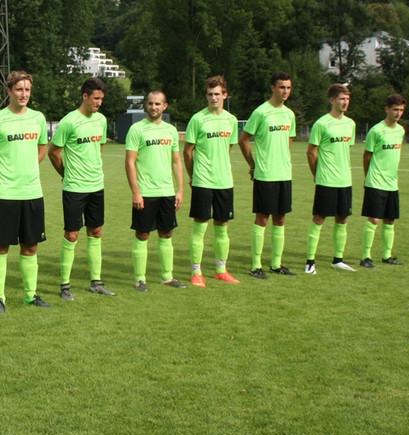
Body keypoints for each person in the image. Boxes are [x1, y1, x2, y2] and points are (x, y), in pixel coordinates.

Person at [0, 70, 50, 312]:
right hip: (5, 195)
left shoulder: (38, 118)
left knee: (31, 247)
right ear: (9, 91)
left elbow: (43, 146)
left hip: (32, 193)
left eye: (27, 90)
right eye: (19, 89)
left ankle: (30, 295)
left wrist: (30, 166)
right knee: (1, 246)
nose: (24, 94)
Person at [48, 77, 115, 300]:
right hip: (75, 187)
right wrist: (66, 174)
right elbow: (53, 152)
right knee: (72, 234)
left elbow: (99, 147)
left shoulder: (101, 120)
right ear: (85, 96)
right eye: (95, 98)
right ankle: (65, 286)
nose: (99, 103)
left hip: (97, 186)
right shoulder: (68, 122)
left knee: (96, 231)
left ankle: (96, 282)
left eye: (101, 99)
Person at [125, 90, 185, 291]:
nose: (154, 107)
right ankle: (140, 279)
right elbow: (130, 162)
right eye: (150, 103)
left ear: (165, 106)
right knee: (142, 234)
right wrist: (136, 191)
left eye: (158, 104)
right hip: (145, 193)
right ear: (146, 106)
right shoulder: (136, 129)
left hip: (167, 192)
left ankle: (167, 277)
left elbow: (177, 161)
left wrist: (180, 190)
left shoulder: (170, 130)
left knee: (166, 233)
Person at [239, 72, 297, 279]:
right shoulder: (261, 112)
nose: (285, 91)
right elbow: (243, 140)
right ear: (273, 88)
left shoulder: (289, 114)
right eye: (282, 87)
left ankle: (276, 264)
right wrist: (253, 164)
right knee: (262, 219)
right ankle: (256, 266)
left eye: (288, 88)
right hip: (265, 175)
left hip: (284, 174)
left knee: (280, 219)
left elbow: (289, 140)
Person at [183, 76, 239, 288]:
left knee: (222, 226)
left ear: (225, 94)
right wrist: (193, 176)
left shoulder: (231, 120)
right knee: (200, 227)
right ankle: (196, 272)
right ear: (205, 95)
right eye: (210, 94)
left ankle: (221, 270)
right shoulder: (198, 119)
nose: (214, 98)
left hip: (224, 181)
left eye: (218, 94)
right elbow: (187, 152)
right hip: (203, 181)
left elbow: (228, 149)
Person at [305, 83, 357, 274]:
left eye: (347, 99)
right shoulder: (322, 123)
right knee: (319, 218)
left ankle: (338, 259)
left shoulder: (350, 124)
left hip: (345, 180)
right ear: (332, 100)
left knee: (343, 219)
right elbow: (311, 152)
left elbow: (345, 150)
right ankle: (310, 261)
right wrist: (317, 174)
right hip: (326, 180)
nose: (345, 102)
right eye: (342, 99)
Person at [360, 94, 407, 268]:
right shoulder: (376, 130)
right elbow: (367, 156)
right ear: (387, 109)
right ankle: (366, 257)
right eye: (395, 109)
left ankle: (387, 256)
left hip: (392, 183)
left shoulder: (401, 130)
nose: (398, 113)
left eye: (401, 110)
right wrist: (367, 177)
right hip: (375, 181)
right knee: (373, 220)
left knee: (390, 220)